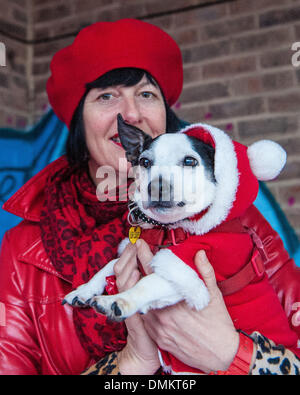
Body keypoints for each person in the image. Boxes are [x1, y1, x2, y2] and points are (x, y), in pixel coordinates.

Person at [0, 18, 299, 376]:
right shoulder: (24, 252)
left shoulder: (236, 218)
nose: (130, 114)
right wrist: (129, 364)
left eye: (146, 94)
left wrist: (233, 354)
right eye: (106, 95)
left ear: (165, 119)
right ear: (80, 122)